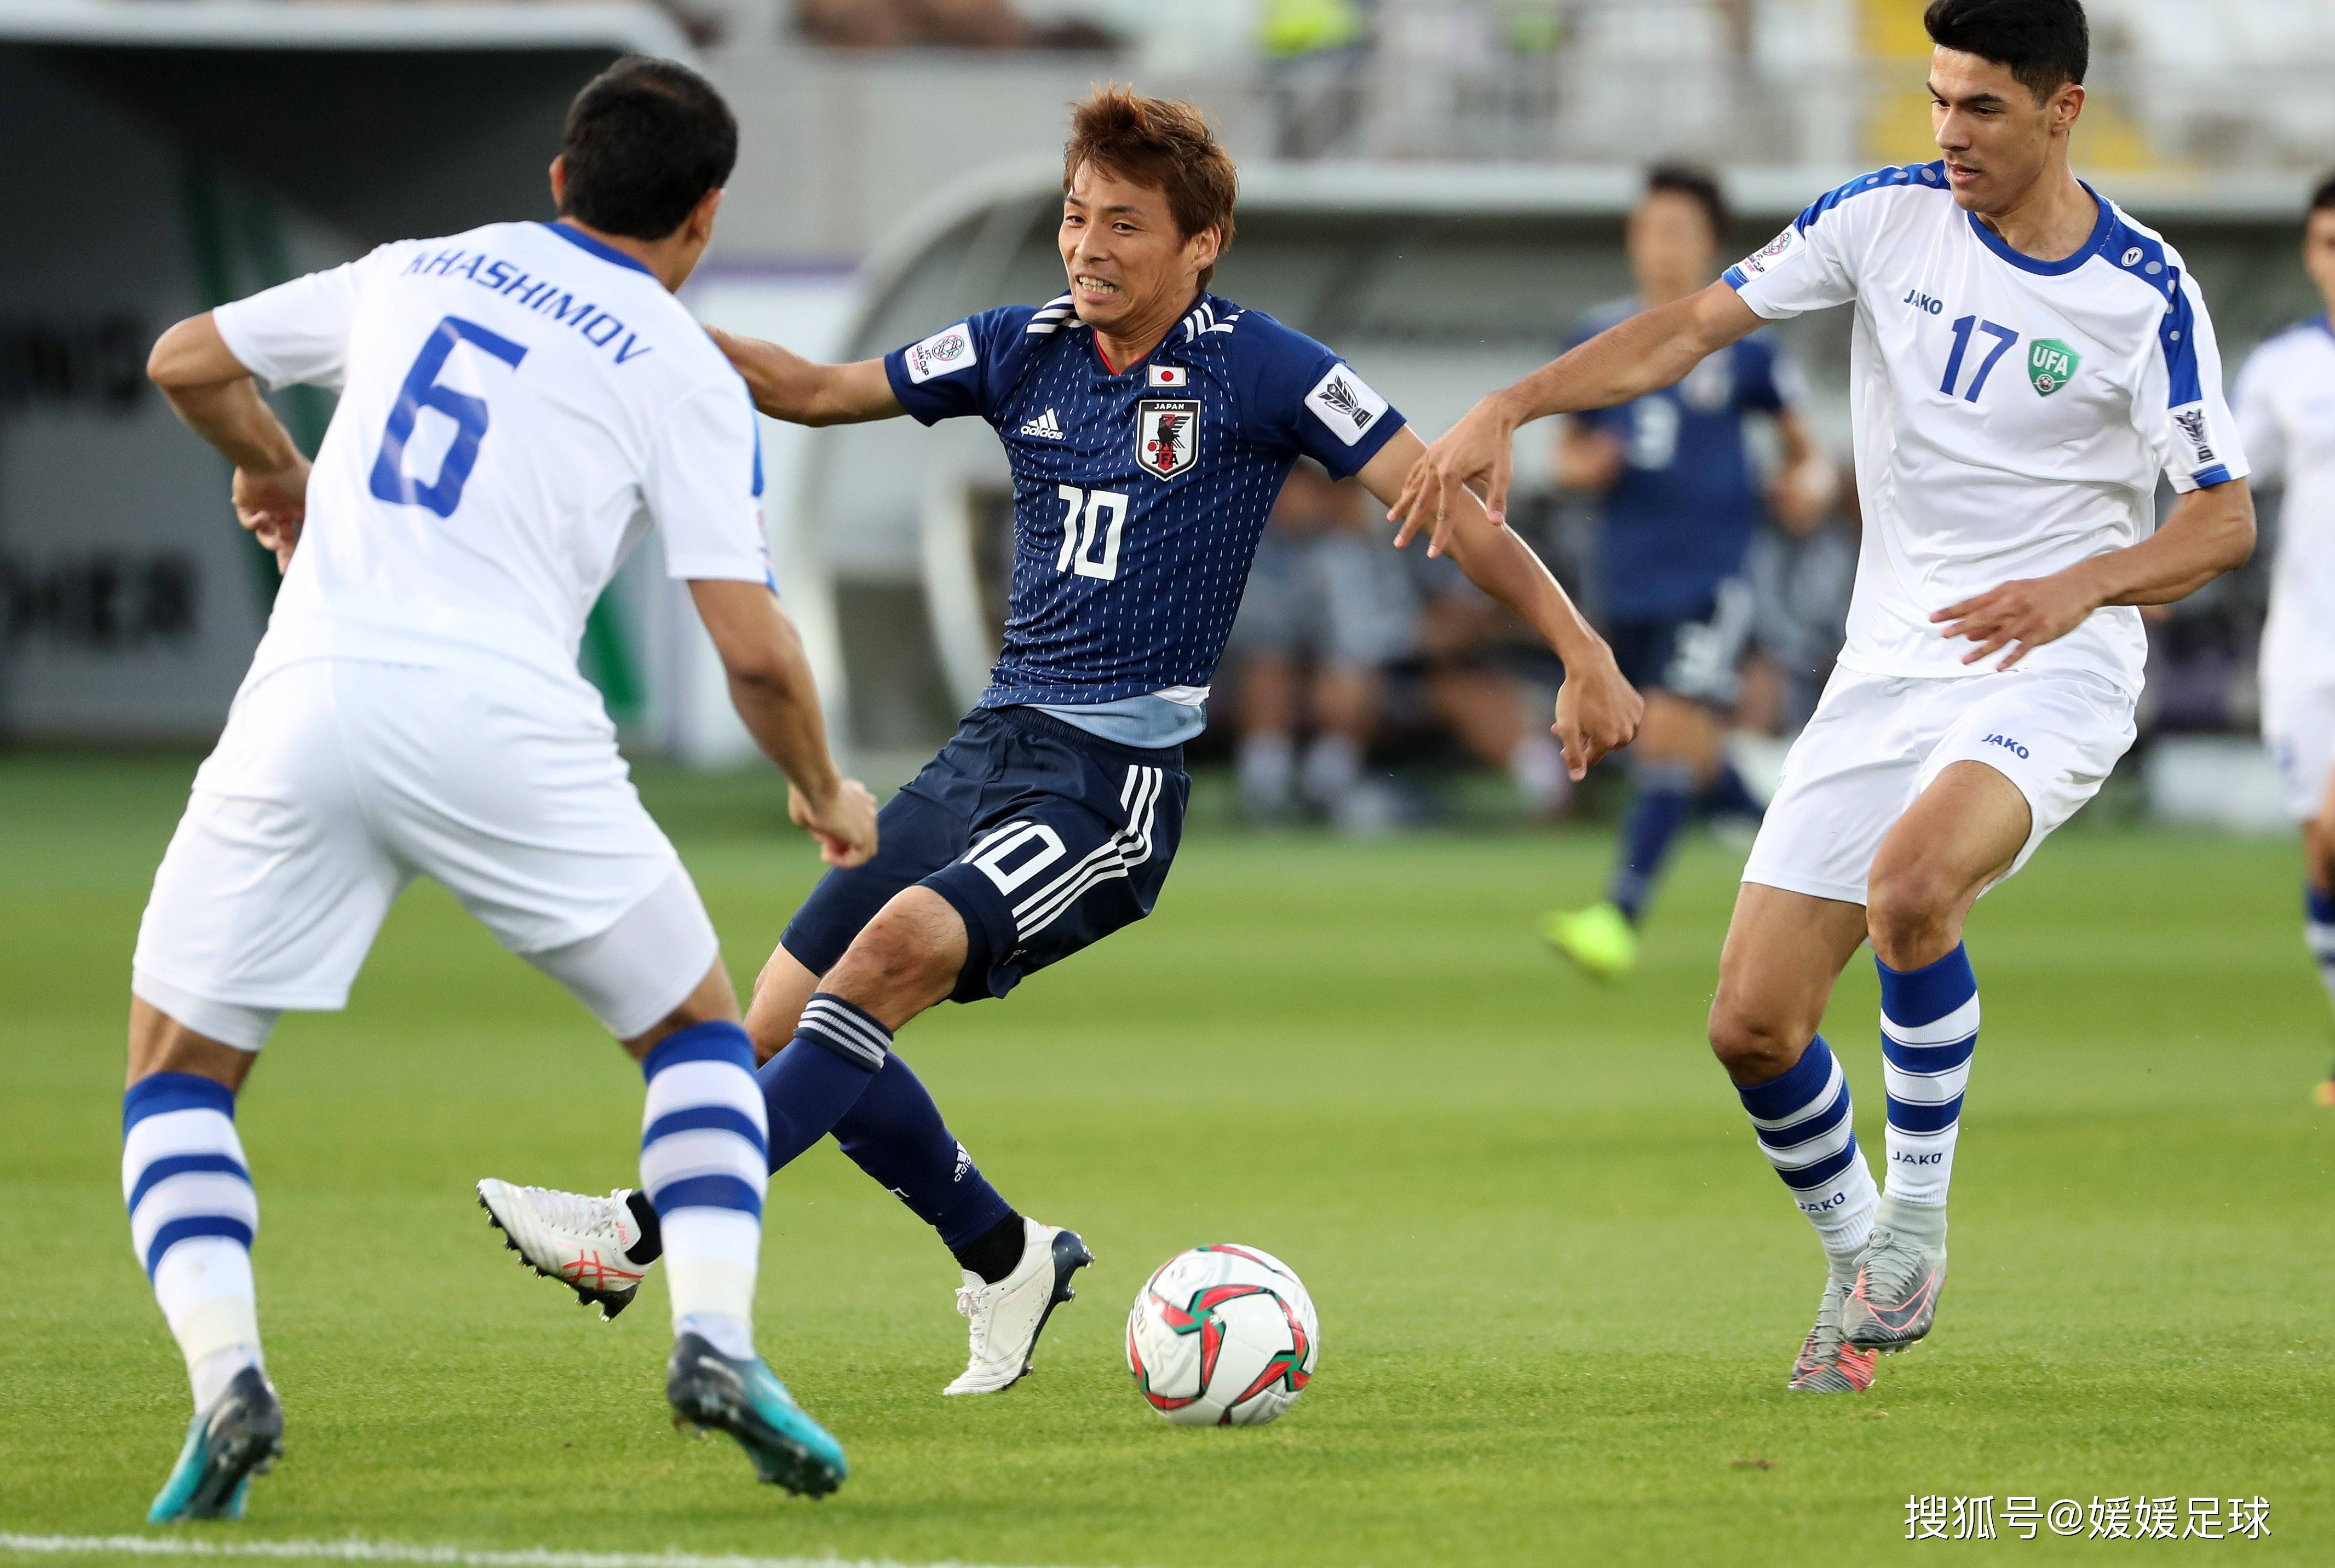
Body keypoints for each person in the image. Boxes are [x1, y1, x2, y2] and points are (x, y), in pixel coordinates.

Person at [476, 86, 1641, 1400]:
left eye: (1125, 226)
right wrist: (645, 317)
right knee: (776, 1029)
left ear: (1202, 244)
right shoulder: (1015, 345)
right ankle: (1006, 1253)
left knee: (889, 955)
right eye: (1076, 217)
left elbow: (1446, 507)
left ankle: (636, 1233)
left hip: (1111, 785)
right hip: (988, 750)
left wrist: (1578, 646)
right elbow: (810, 388)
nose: (1087, 247)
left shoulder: (1262, 369)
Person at [1391, 0, 2254, 1393]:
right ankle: (1860, 1272)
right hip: (1888, 665)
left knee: (1917, 888)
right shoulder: (1880, 218)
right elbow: (1681, 331)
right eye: (1935, 100)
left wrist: (2085, 584)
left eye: (1981, 108)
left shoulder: (2143, 292)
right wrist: (1513, 402)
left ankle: (1916, 1225)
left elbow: (2221, 521)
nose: (1949, 134)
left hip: (2059, 661)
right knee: (1750, 1023)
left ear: (2061, 108)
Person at [125, 59, 878, 1518]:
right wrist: (824, 789)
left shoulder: (424, 267)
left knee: (179, 1075)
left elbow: (183, 359)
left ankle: (228, 1380)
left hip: (311, 699)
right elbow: (754, 649)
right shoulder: (680, 359)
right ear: (705, 217)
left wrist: (276, 470)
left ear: (557, 178)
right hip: (506, 723)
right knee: (698, 1041)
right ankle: (714, 1342)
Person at [1540, 164, 1834, 981]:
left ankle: (1618, 918)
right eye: (1648, 231)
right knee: (1678, 753)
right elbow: (1561, 453)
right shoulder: (1596, 336)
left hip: (1715, 580)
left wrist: (1802, 490)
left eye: (1677, 232)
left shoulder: (1745, 345)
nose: (1660, 248)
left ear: (1710, 243)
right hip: (1624, 582)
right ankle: (1804, 839)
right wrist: (1582, 467)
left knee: (1669, 730)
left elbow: (1808, 457)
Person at [2231, 171, 2335, 1106]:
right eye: (2327, 245)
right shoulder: (2281, 372)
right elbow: (2216, 482)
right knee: (2322, 849)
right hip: (2304, 645)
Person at [1230, 460, 1416, 829]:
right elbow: (1245, 630)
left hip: (1359, 677)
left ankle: (1327, 790)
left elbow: (1380, 630)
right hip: (1247, 675)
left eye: (1302, 492)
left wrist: (1326, 662)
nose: (1292, 502)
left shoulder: (1351, 550)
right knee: (1269, 667)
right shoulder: (1246, 547)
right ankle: (1265, 793)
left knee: (1350, 671)